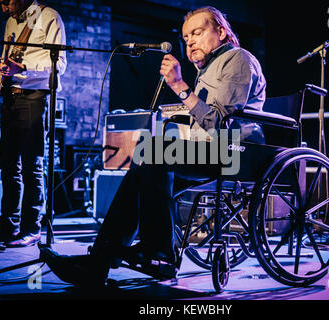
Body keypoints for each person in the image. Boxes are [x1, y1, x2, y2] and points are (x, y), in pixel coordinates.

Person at [40, 6, 266, 286]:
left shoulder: (238, 59)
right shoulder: (208, 68)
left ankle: (157, 254)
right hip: (214, 150)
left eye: (197, 32)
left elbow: (218, 124)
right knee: (147, 153)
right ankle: (102, 258)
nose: (190, 41)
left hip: (237, 153)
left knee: (153, 151)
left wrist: (180, 86)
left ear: (221, 31)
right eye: (185, 38)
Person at [0, 0, 67, 247]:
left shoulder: (49, 16)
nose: (3, 8)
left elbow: (59, 64)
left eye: (6, 2)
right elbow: (6, 60)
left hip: (34, 96)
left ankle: (32, 228)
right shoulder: (11, 21)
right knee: (8, 165)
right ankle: (8, 226)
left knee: (32, 165)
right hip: (10, 97)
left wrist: (25, 68)